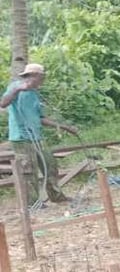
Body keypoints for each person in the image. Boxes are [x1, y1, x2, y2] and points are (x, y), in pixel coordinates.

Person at [1, 63, 76, 203]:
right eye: (41, 78)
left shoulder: (34, 93)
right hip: (22, 138)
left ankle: (56, 196)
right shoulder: (15, 86)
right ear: (34, 76)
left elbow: (40, 118)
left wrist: (64, 127)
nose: (43, 81)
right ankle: (33, 203)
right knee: (28, 170)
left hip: (37, 136)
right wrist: (18, 89)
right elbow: (3, 103)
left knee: (50, 164)